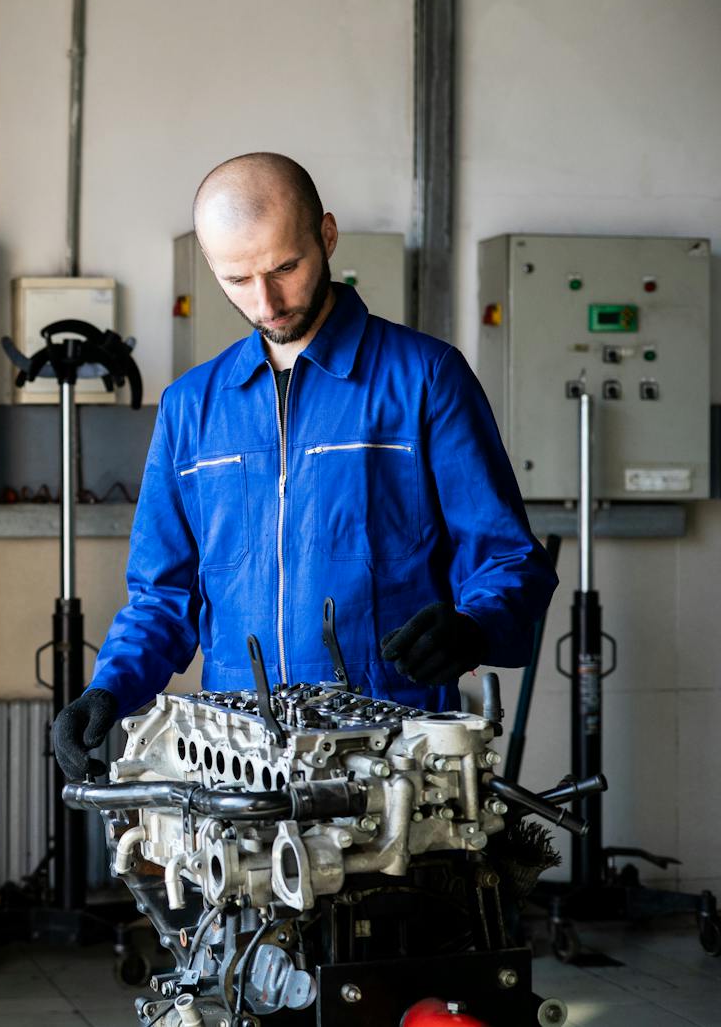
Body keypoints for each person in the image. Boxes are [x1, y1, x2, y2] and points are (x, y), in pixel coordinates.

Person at [53, 152, 557, 781]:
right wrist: (109, 688)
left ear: (326, 236)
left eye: (284, 267)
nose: (266, 301)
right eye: (237, 279)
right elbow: (163, 594)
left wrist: (475, 627)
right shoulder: (192, 407)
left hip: (391, 748)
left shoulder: (424, 378)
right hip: (236, 753)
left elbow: (508, 559)